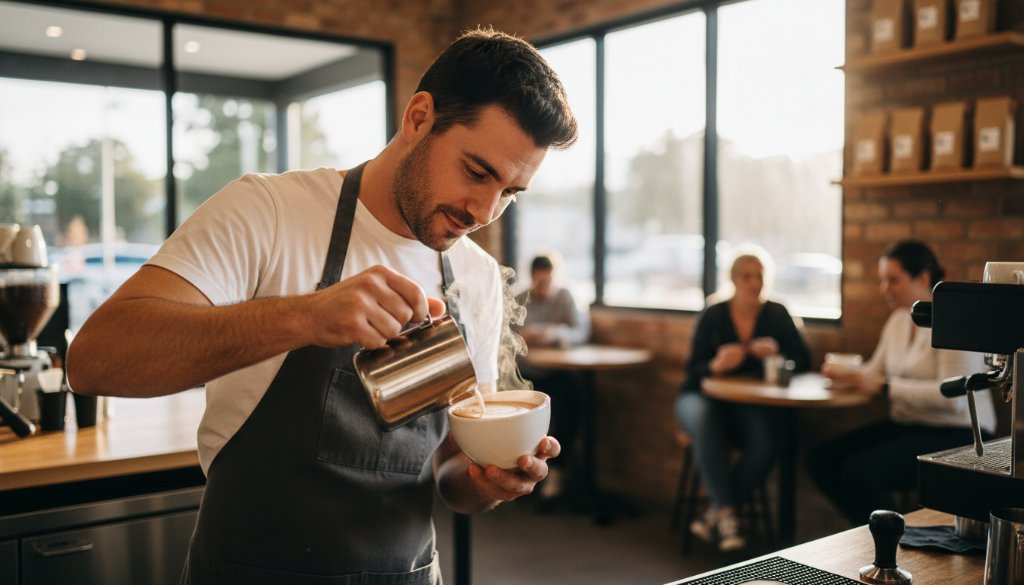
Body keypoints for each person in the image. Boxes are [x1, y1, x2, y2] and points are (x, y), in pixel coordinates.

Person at [65, 28, 577, 585]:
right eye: (477, 173)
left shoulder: (474, 277)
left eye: (509, 193)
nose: (484, 209)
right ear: (419, 118)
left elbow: (451, 466)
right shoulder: (269, 212)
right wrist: (306, 316)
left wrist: (484, 485)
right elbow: (94, 359)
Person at [806, 240, 996, 526]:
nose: (884, 289)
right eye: (883, 280)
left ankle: (903, 537)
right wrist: (844, 375)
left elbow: (956, 397)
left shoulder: (954, 319)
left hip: (962, 434)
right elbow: (876, 370)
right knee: (820, 459)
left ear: (922, 278)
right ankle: (877, 532)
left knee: (858, 473)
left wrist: (885, 387)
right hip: (910, 425)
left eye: (893, 280)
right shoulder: (897, 320)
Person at [675, 250, 810, 551]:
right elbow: (692, 370)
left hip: (747, 403)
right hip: (700, 396)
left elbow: (803, 359)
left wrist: (778, 352)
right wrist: (715, 365)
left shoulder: (776, 313)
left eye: (759, 275)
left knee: (765, 442)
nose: (754, 282)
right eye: (747, 275)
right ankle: (727, 513)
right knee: (707, 422)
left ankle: (720, 511)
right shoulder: (715, 313)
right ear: (734, 279)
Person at [514, 254, 589, 500]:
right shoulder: (521, 299)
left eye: (547, 282)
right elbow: (506, 337)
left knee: (573, 404)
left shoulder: (565, 297)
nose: (544, 287)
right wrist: (527, 336)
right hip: (526, 373)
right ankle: (523, 470)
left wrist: (557, 333)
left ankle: (556, 469)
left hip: (557, 373)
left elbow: (580, 332)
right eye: (539, 282)